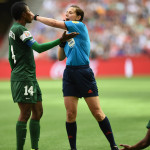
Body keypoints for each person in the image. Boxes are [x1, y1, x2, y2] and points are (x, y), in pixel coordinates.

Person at [33, 5, 119, 150]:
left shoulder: (79, 26)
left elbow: (54, 23)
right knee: (70, 114)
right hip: (69, 74)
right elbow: (61, 58)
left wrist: (35, 17)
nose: (67, 14)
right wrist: (62, 41)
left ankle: (113, 145)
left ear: (78, 17)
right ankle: (73, 149)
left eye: (71, 12)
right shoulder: (67, 34)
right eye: (66, 12)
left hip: (83, 72)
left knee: (97, 112)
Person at [9, 2, 78, 150]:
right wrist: (61, 40)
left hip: (28, 77)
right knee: (25, 113)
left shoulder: (13, 30)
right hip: (24, 78)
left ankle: (35, 148)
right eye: (28, 11)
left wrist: (16, 70)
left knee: (38, 112)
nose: (30, 13)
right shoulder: (21, 30)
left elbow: (10, 57)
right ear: (23, 14)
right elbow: (38, 48)